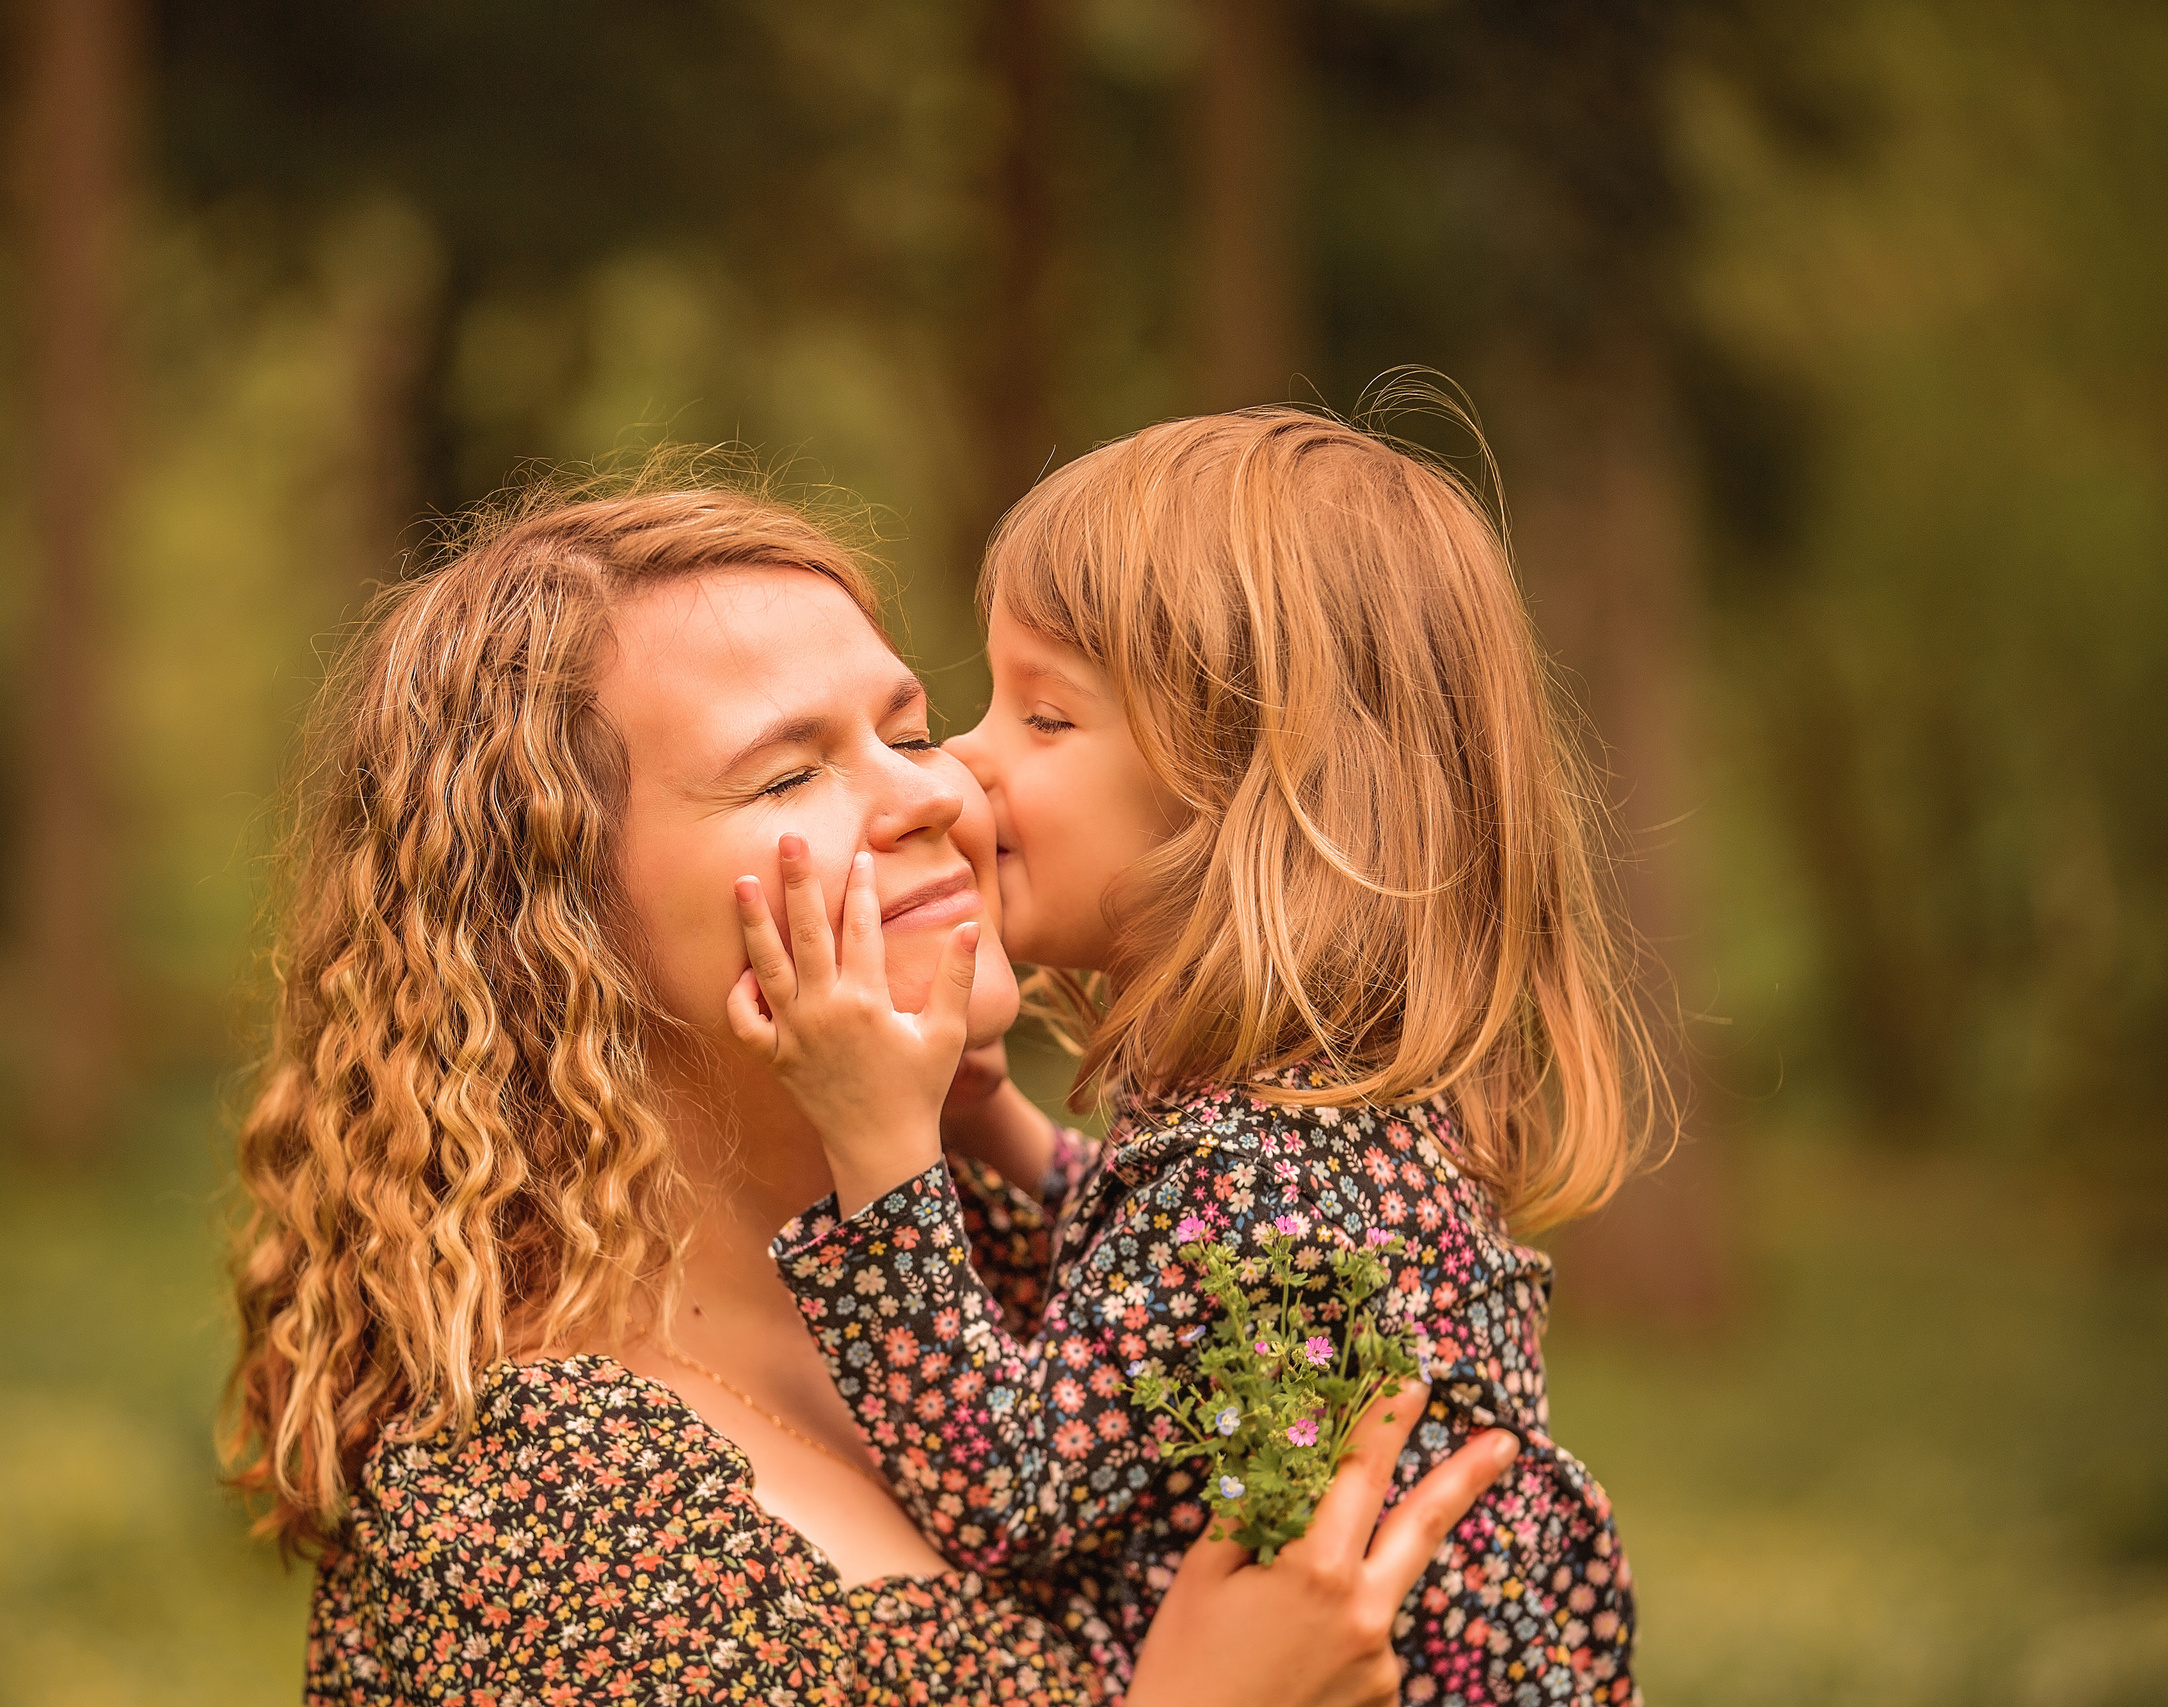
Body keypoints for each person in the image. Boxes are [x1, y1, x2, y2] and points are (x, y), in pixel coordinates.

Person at [221, 465, 1521, 1705]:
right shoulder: (533, 1504)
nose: (938, 792)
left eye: (909, 731)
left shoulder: (1012, 1253)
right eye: (789, 770)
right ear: (558, 928)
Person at [734, 407, 1660, 1705]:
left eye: (1044, 718)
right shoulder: (1312, 1130)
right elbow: (1168, 1310)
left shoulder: (1257, 1176)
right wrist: (997, 1131)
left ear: (1250, 803)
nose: (962, 765)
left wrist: (879, 1147)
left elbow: (1012, 1492)